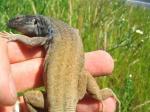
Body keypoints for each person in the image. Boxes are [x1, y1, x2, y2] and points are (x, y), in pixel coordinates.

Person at [0, 37, 117, 112]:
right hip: (71, 98)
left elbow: (27, 98)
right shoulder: (79, 94)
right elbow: (84, 75)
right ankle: (101, 95)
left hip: (62, 102)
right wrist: (98, 94)